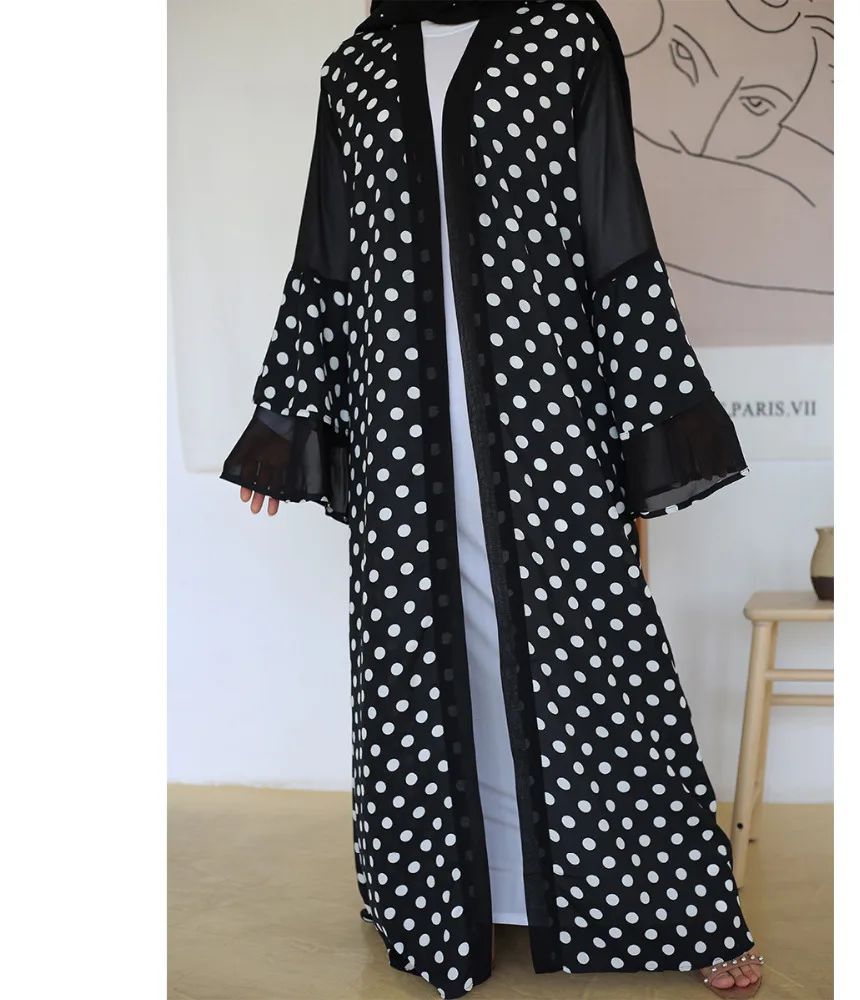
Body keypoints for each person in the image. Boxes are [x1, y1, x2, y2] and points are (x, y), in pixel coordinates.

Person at [221, 2, 762, 997]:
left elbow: (614, 227)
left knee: (594, 646)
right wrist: (288, 421)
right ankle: (436, 901)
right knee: (414, 659)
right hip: (402, 432)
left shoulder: (563, 33)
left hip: (540, 414)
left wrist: (647, 417)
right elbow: (328, 253)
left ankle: (681, 905)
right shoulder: (357, 67)